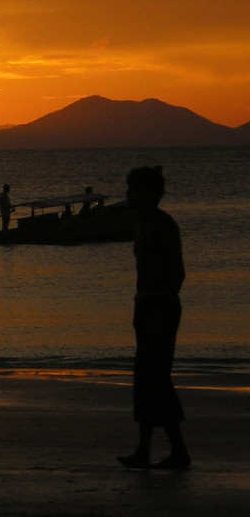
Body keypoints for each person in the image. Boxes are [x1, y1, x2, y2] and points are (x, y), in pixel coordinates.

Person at [117, 166, 191, 470]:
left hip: (160, 306)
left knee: (156, 377)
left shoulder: (162, 224)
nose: (128, 194)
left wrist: (160, 305)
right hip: (146, 304)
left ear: (148, 193)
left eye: (133, 189)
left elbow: (177, 272)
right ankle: (145, 450)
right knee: (147, 378)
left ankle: (177, 450)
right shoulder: (144, 223)